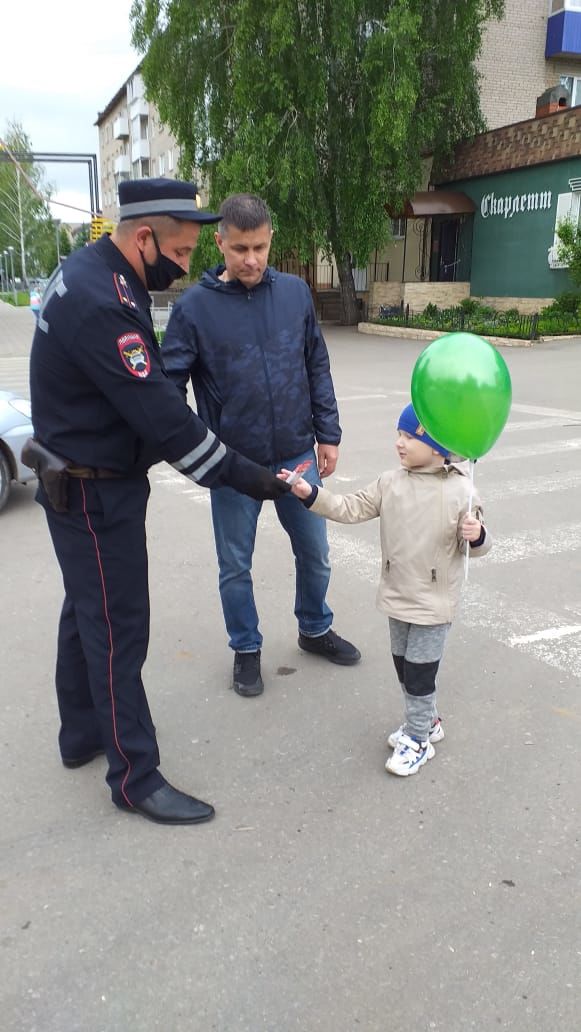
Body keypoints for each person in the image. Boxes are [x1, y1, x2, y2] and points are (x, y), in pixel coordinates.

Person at [24, 178, 291, 826]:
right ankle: (133, 775)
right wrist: (254, 478)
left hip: (73, 477)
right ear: (143, 238)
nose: (185, 264)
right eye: (179, 251)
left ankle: (80, 735)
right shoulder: (104, 302)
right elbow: (166, 423)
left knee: (85, 613)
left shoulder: (93, 271)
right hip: (93, 490)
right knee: (118, 629)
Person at [161, 193, 360, 698]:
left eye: (261, 248)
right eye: (241, 248)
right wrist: (203, 455)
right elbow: (167, 391)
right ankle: (246, 649)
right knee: (236, 565)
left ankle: (314, 629)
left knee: (316, 554)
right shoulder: (193, 309)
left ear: (271, 240)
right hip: (234, 464)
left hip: (297, 453)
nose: (251, 260)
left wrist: (328, 434)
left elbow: (316, 363)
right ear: (220, 242)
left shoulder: (295, 293)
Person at [279, 403, 492, 776]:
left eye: (410, 437)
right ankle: (428, 721)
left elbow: (480, 545)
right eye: (399, 434)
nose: (400, 443)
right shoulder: (389, 482)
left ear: (439, 446)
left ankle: (418, 740)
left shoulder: (462, 490)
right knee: (403, 667)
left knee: (419, 671)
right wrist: (309, 492)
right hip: (397, 594)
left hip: (434, 601)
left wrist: (477, 535)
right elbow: (348, 507)